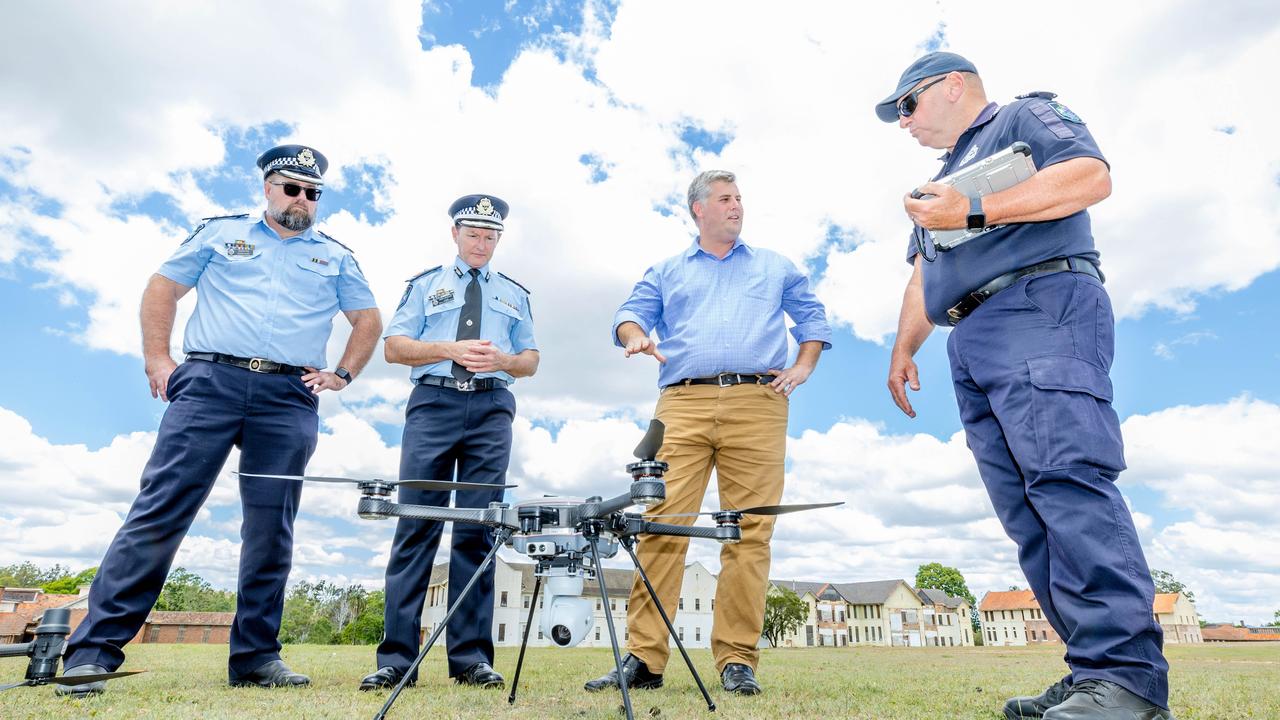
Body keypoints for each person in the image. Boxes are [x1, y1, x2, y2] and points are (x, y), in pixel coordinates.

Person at [877, 52, 1172, 720]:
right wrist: (902, 349)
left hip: (1040, 305)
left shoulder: (1023, 116)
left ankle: (1128, 681)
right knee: (1028, 515)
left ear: (951, 86)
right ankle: (1092, 669)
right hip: (970, 336)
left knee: (1068, 483)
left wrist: (973, 210)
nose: (904, 123)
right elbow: (922, 277)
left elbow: (1089, 177)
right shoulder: (938, 186)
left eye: (907, 106)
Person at [59, 144, 381, 695]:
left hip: (288, 394)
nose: (302, 200)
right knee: (161, 509)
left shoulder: (336, 256)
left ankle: (256, 657)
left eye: (313, 194)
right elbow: (163, 288)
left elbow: (367, 320)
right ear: (267, 188)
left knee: (270, 530)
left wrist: (342, 375)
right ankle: (91, 651)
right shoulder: (217, 233)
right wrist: (158, 358)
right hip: (210, 382)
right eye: (292, 189)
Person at [582, 170, 831, 697]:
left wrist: (803, 366)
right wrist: (635, 337)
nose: (736, 206)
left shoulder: (775, 266)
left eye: (740, 197)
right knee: (661, 524)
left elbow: (813, 319)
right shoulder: (667, 270)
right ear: (698, 209)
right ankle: (644, 659)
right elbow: (630, 315)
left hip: (759, 403)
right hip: (683, 403)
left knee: (749, 531)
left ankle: (738, 660)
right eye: (725, 199)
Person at [360, 194, 538, 692]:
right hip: (433, 404)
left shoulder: (515, 294)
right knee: (416, 527)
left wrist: (503, 361)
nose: (481, 243)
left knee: (477, 532)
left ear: (499, 240)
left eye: (490, 236)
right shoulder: (424, 287)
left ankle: (471, 660)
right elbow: (394, 348)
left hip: (491, 408)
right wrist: (448, 349)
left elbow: (531, 360)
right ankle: (397, 659)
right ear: (455, 234)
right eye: (473, 234)